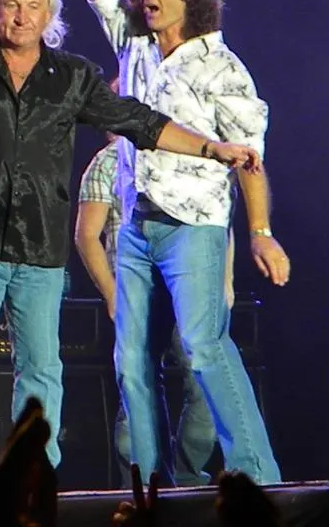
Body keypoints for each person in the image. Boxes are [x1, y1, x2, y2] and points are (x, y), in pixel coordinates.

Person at [0, 0, 263, 500]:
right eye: (11, 4)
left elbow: (140, 122)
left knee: (41, 367)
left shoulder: (72, 77)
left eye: (33, 5)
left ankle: (32, 470)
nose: (21, 15)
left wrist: (210, 147)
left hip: (39, 247)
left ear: (49, 15)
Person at [79, 0, 291, 485]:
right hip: (134, 227)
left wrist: (261, 233)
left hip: (192, 228)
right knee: (131, 364)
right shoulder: (133, 43)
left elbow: (250, 161)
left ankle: (260, 478)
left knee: (202, 347)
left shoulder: (223, 67)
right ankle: (152, 488)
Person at [75, 126, 235, 486]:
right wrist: (112, 293)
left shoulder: (186, 153)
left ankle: (187, 478)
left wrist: (225, 279)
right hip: (140, 292)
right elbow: (86, 235)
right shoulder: (107, 163)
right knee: (138, 384)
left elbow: (217, 221)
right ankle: (148, 485)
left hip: (190, 287)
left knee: (206, 386)